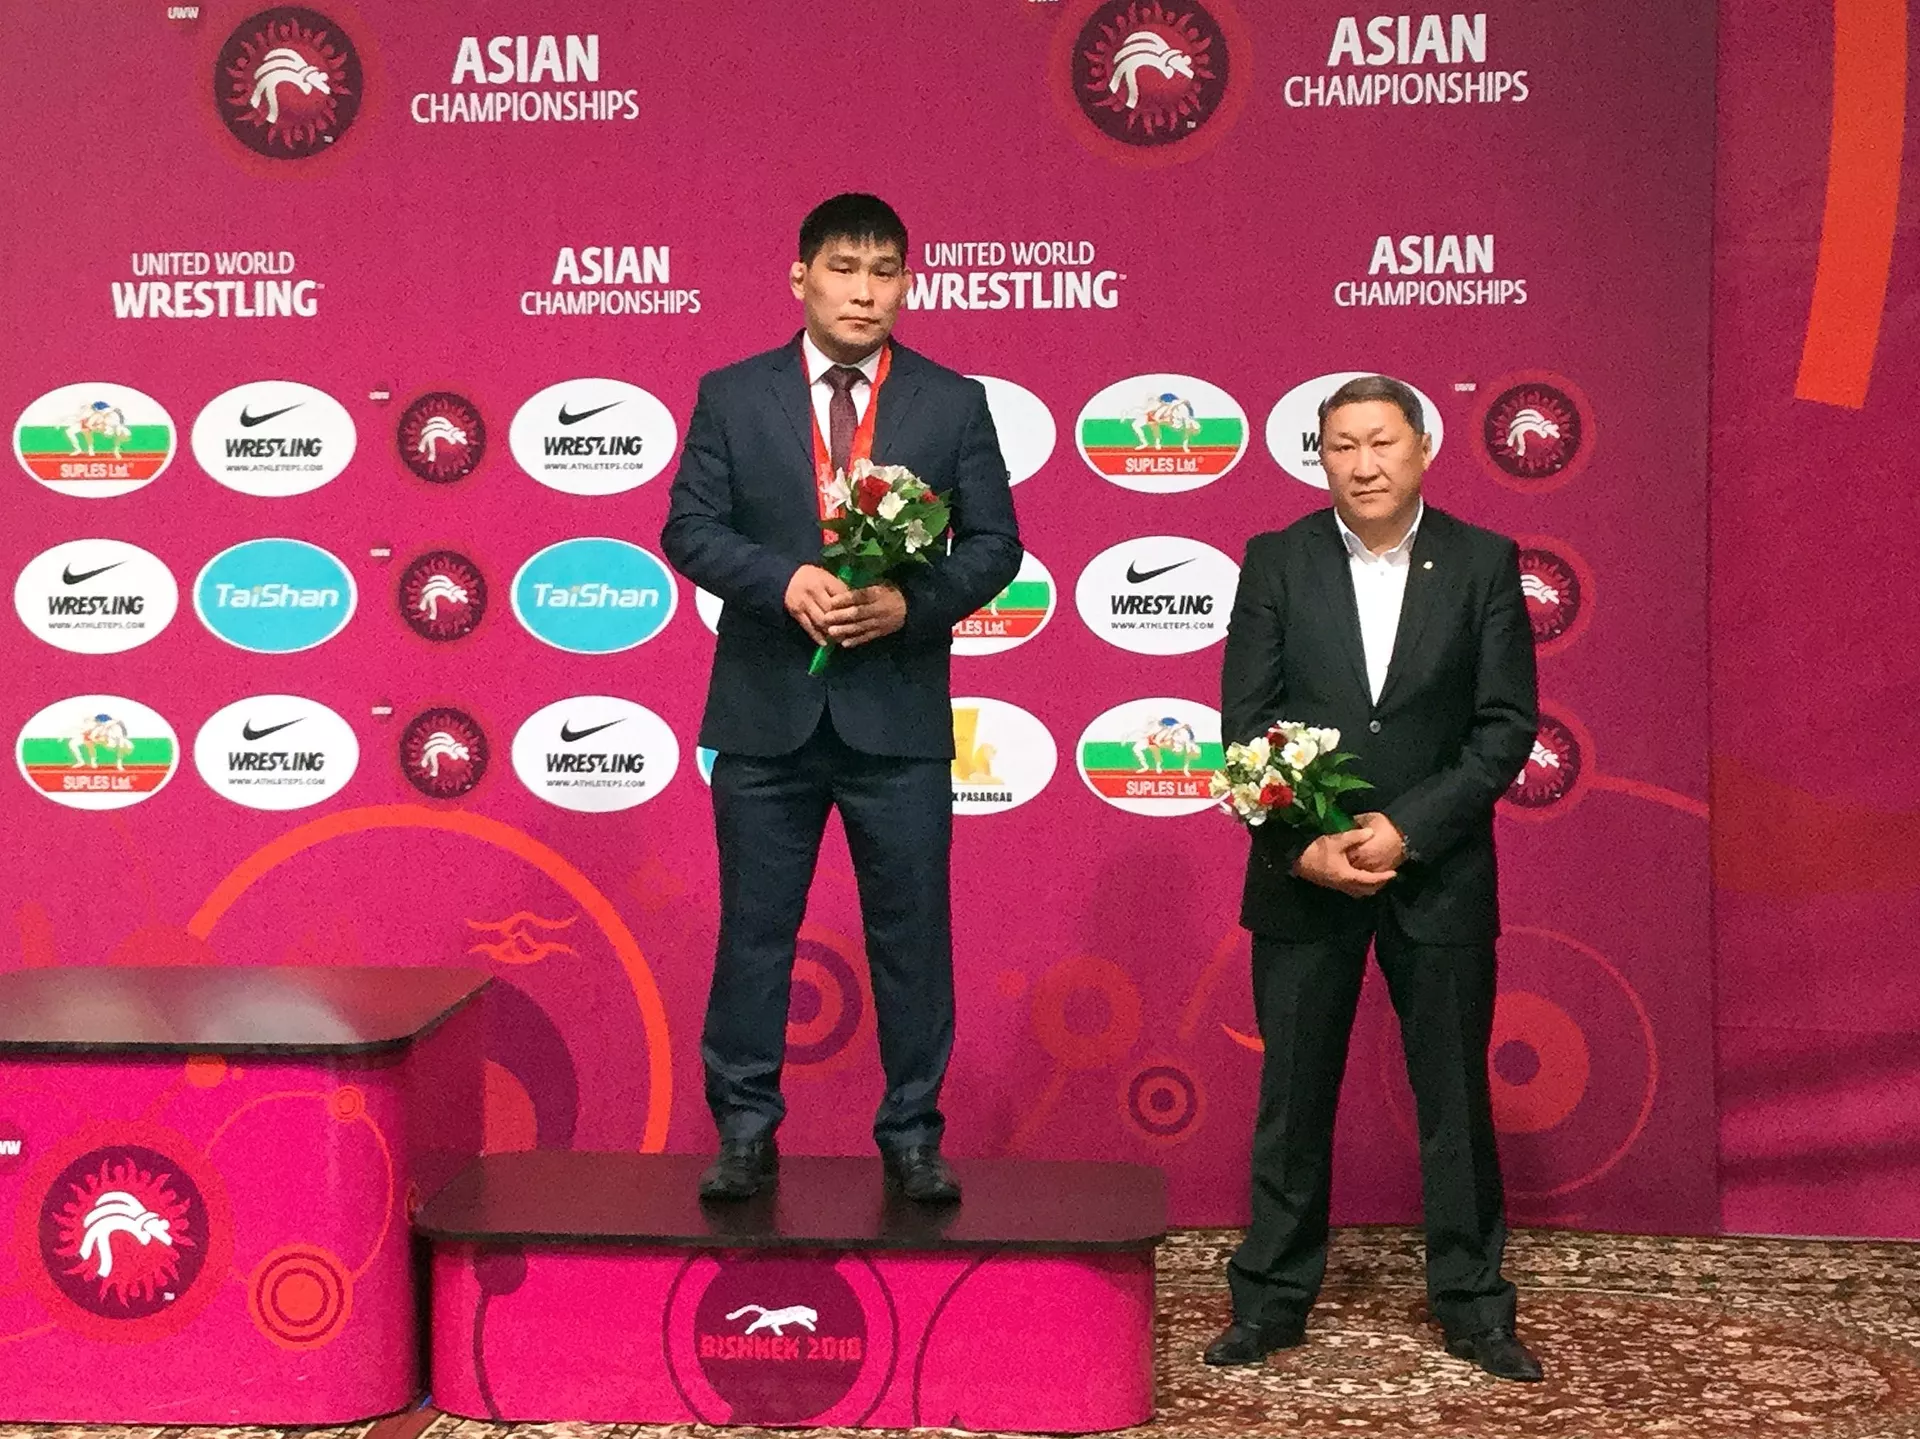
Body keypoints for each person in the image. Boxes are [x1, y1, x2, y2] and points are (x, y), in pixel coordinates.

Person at [661, 193, 1022, 1204]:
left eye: (885, 272)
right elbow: (688, 526)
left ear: (906, 282)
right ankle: (744, 1130)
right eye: (845, 269)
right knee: (755, 931)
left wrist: (909, 603)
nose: (865, 292)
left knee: (912, 933)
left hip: (896, 718)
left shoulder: (951, 402)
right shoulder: (734, 395)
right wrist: (783, 582)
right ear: (801, 278)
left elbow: (997, 543)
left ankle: (912, 1132)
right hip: (765, 713)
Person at [1206, 374, 1543, 1381]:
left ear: (1423, 447)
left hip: (1439, 875)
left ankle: (1474, 1305)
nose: (1362, 464)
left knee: (1454, 1102)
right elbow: (1245, 722)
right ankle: (1268, 1299)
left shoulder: (1483, 561)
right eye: (1341, 445)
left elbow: (1504, 727)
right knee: (1292, 1098)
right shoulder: (1277, 559)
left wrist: (1408, 830)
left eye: (1381, 442)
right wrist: (1305, 842)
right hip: (1303, 874)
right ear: (1321, 458)